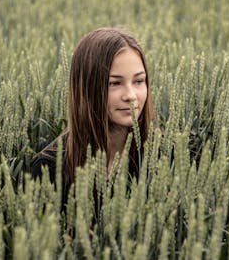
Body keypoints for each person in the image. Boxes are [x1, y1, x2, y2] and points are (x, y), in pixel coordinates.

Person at [31, 27, 153, 208]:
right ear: (88, 88)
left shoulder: (165, 156)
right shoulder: (49, 168)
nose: (131, 95)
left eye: (138, 81)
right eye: (114, 83)